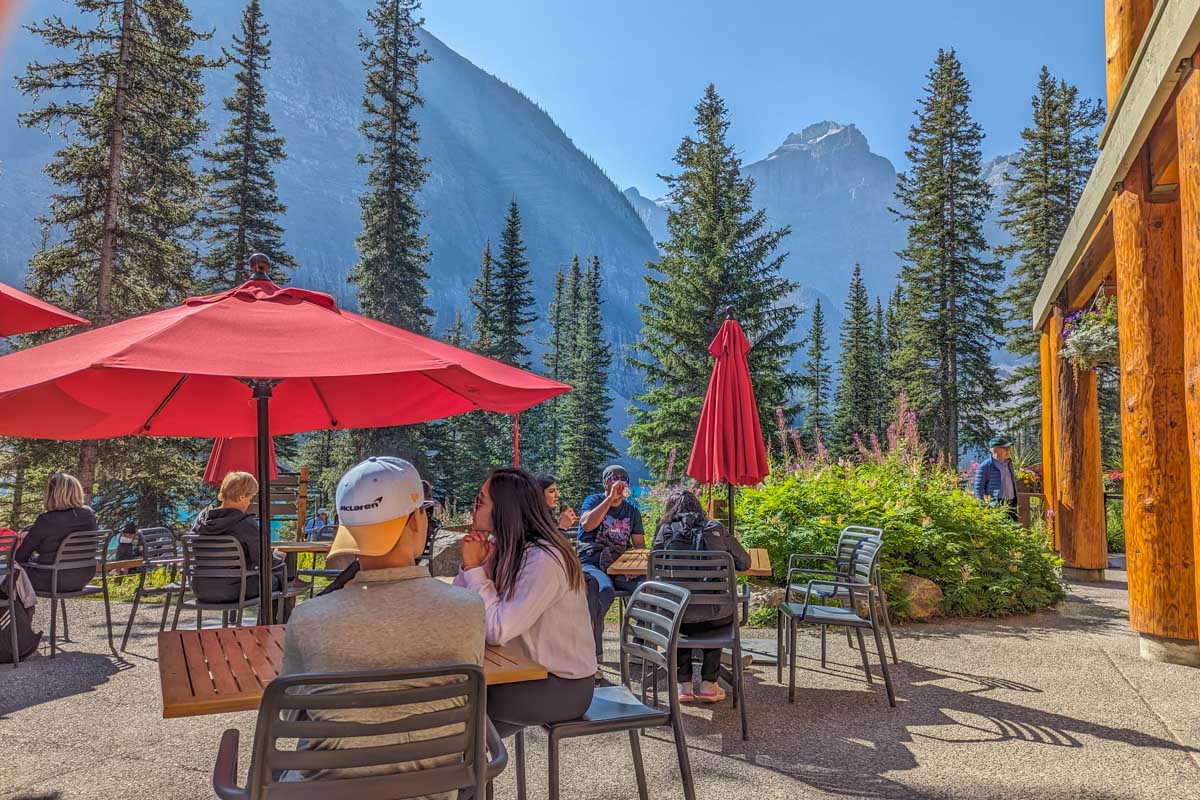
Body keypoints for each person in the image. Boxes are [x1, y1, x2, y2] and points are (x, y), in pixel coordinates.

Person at [279, 456, 484, 784]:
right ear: (416, 522)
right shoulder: (468, 609)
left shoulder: (308, 619)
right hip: (431, 789)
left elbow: (292, 715)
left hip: (333, 790)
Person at [454, 468, 595, 737]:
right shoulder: (509, 549)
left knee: (457, 701)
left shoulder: (543, 559)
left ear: (504, 510)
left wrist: (474, 568)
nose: (473, 507)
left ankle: (461, 772)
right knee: (464, 728)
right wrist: (475, 567)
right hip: (525, 674)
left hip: (564, 687)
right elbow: (462, 610)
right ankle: (468, 774)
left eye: (480, 501)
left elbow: (497, 630)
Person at [651, 489, 750, 703]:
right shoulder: (714, 528)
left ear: (670, 510)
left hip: (676, 618)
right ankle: (708, 684)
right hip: (713, 617)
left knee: (679, 613)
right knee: (715, 607)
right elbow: (745, 562)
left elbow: (654, 562)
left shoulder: (664, 529)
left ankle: (683, 685)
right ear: (698, 508)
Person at [577, 464, 644, 661]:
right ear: (605, 482)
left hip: (619, 565)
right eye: (614, 478)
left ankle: (640, 647)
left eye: (624, 478)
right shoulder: (593, 501)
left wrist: (635, 566)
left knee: (647, 587)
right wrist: (609, 500)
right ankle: (592, 651)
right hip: (592, 562)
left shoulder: (632, 511)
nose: (620, 482)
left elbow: (639, 545)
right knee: (602, 589)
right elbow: (587, 524)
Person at [190, 471, 287, 603]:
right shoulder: (244, 523)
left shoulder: (201, 519)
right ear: (242, 496)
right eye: (250, 498)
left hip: (200, 588)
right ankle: (276, 623)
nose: (249, 502)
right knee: (279, 577)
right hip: (236, 590)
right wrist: (277, 556)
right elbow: (264, 560)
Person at [16, 473, 98, 594]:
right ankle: (21, 613)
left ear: (51, 494)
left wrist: (24, 539)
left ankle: (18, 612)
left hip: (52, 579)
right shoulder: (89, 514)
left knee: (10, 572)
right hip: (83, 577)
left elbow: (19, 557)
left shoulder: (46, 519)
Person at [974, 436, 1020, 521]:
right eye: (1005, 449)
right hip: (997, 503)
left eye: (1008, 448)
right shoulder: (985, 466)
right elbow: (978, 488)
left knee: (1013, 529)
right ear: (995, 450)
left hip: (1012, 502)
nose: (1008, 451)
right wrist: (986, 505)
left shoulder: (1009, 463)